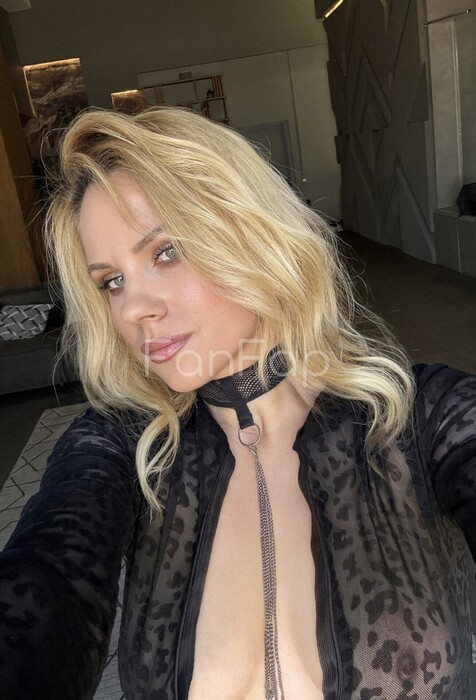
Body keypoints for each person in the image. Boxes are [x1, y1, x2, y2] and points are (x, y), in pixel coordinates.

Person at [0, 106, 474, 700]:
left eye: (166, 251)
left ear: (251, 235)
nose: (133, 308)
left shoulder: (424, 415)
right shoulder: (124, 443)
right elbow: (49, 575)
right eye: (111, 281)